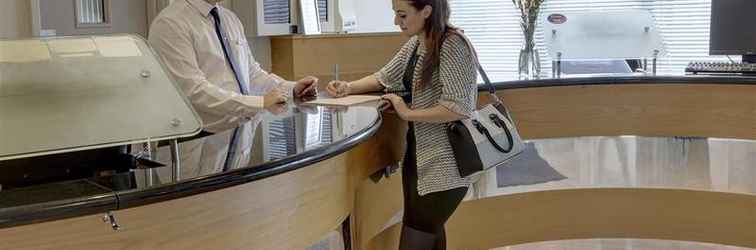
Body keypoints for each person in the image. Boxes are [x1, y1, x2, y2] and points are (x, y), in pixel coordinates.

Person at [326, 0, 478, 249]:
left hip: (447, 167)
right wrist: (348, 87)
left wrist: (407, 113)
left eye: (402, 15)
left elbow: (458, 107)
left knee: (417, 236)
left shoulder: (452, 44)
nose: (397, 21)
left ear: (427, 11)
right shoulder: (418, 43)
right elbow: (385, 77)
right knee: (429, 235)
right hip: (420, 160)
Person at [148, 0, 318, 176]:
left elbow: (251, 74)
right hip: (194, 146)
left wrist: (290, 89)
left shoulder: (230, 19)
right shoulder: (171, 23)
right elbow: (193, 92)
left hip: (235, 137)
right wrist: (259, 102)